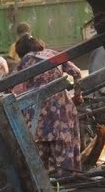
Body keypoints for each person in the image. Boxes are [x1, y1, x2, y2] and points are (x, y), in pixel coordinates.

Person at [11, 36, 85, 176]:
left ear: (21, 51)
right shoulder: (53, 54)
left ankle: (46, 181)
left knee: (40, 148)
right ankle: (69, 178)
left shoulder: (25, 60)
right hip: (62, 108)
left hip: (37, 111)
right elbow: (77, 73)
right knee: (65, 145)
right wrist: (77, 96)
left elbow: (9, 84)